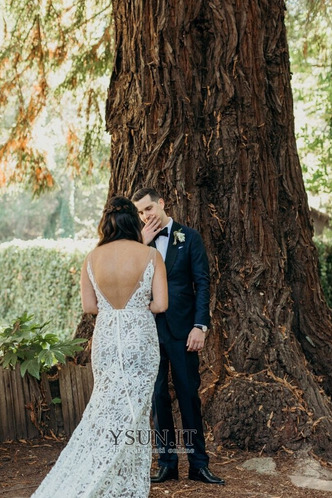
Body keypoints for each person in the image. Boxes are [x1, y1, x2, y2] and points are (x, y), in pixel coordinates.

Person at [31, 196, 168, 498]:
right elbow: (161, 304)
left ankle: (100, 472)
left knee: (104, 409)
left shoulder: (92, 258)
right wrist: (138, 306)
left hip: (106, 341)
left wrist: (113, 308)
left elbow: (89, 306)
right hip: (139, 340)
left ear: (107, 222)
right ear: (135, 221)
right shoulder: (150, 256)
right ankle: (123, 480)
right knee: (135, 411)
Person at [132, 187, 225, 485]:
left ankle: (198, 464)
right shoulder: (137, 243)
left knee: (188, 396)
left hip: (184, 331)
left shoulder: (190, 237)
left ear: (161, 204)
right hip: (149, 330)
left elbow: (202, 283)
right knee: (159, 398)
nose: (145, 215)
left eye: (148, 209)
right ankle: (167, 463)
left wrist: (200, 326)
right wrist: (142, 246)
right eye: (140, 212)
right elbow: (129, 284)